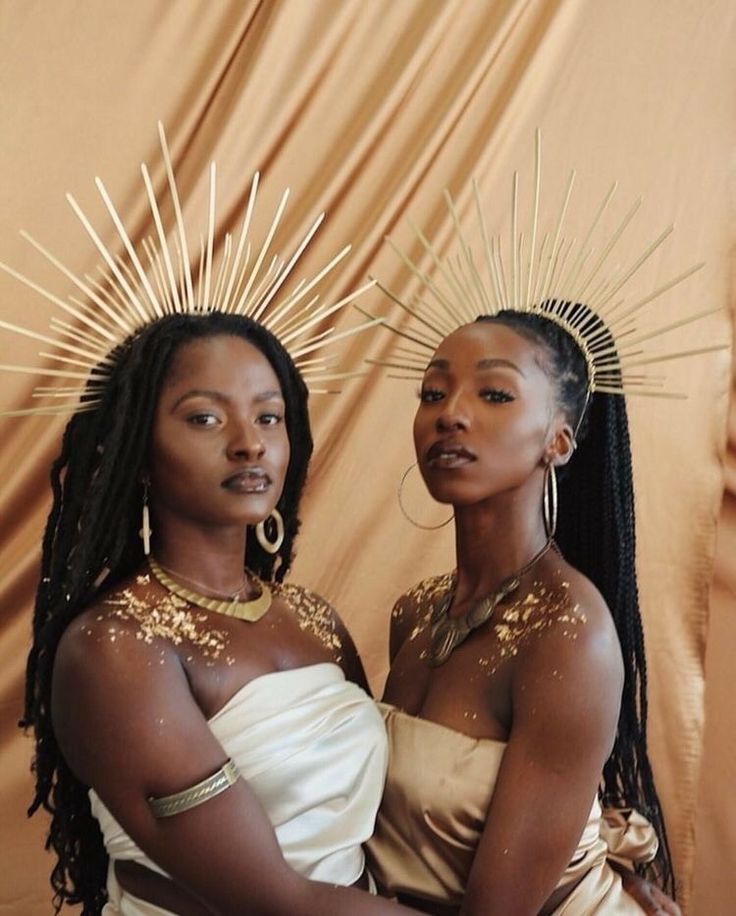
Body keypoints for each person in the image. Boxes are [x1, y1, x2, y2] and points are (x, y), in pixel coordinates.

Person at [6, 129, 417, 916]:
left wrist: (585, 867)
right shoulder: (116, 649)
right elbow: (276, 901)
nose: (249, 442)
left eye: (270, 416)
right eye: (203, 417)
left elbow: (394, 825)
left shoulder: (313, 621)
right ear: (139, 453)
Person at [363, 149, 709, 914]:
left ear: (559, 439)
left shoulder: (570, 636)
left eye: (493, 393)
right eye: (433, 391)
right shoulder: (416, 612)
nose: (450, 412)